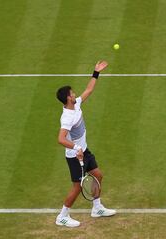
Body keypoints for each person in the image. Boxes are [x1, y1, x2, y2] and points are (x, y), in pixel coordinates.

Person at [55, 61, 116, 227]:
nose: (75, 94)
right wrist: (76, 148)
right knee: (77, 187)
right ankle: (62, 216)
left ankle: (97, 208)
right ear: (68, 97)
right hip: (75, 156)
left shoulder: (77, 104)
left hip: (84, 150)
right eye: (72, 93)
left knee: (98, 176)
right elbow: (60, 139)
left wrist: (96, 72)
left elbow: (89, 89)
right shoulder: (67, 117)